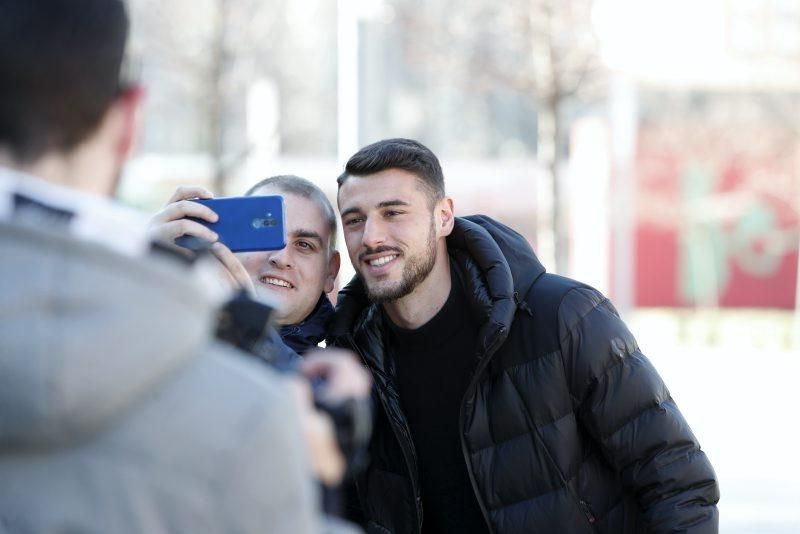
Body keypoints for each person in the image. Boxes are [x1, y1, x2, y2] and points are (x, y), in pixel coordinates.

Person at [0, 1, 332, 532]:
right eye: (268, 234)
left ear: (333, 271)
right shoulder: (252, 420)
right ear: (130, 121)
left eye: (306, 245)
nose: (279, 257)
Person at [328, 138, 720, 533]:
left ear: (443, 216)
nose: (371, 237)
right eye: (354, 220)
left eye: (393, 212)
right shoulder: (350, 360)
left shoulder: (564, 317)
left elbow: (679, 485)